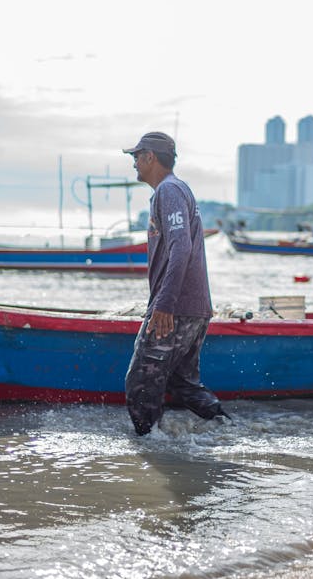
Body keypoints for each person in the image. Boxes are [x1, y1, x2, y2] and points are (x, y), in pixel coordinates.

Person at [121, 131, 228, 435]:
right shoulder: (176, 190)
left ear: (150, 157)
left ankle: (151, 451)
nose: (134, 164)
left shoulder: (169, 191)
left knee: (140, 381)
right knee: (181, 382)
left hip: (176, 309)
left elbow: (181, 248)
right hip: (195, 308)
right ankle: (224, 429)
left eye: (136, 157)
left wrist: (164, 305)